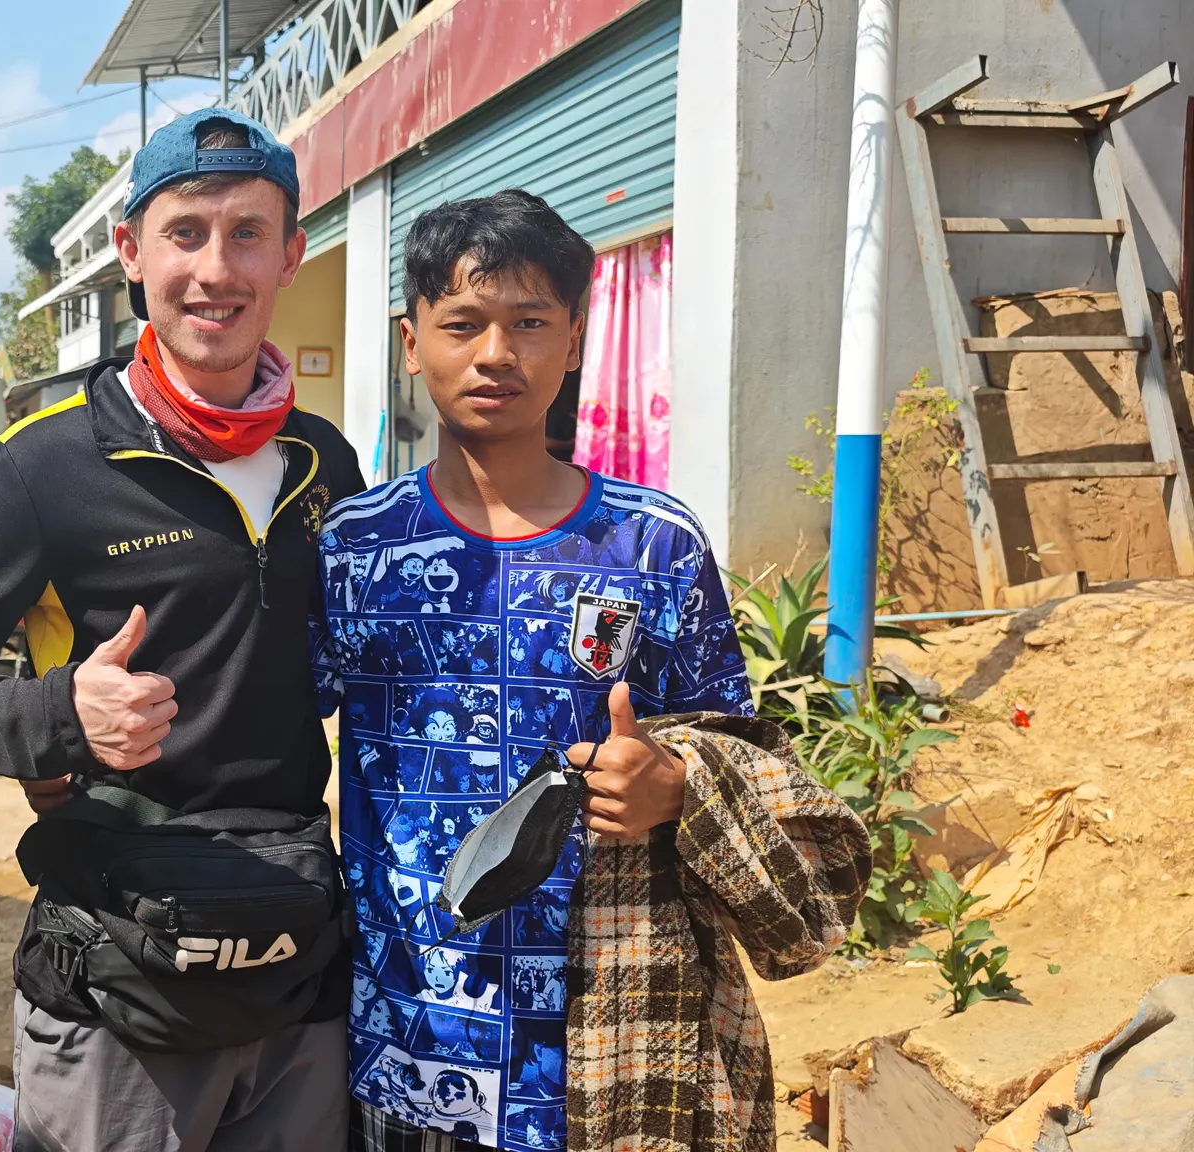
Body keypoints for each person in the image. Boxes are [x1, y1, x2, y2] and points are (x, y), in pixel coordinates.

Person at [316, 189, 870, 1151]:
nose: (497, 355)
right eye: (463, 324)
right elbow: (270, 737)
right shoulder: (351, 550)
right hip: (407, 1036)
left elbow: (742, 753)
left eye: (531, 323)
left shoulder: (652, 545)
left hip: (614, 1041)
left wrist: (675, 785)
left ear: (575, 340)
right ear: (413, 344)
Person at [0, 107, 365, 1151]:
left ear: (290, 255)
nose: (214, 268)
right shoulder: (45, 463)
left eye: (246, 233)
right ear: (131, 253)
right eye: (184, 232)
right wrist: (57, 716)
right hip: (121, 974)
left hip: (296, 964)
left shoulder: (325, 462)